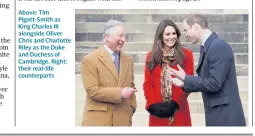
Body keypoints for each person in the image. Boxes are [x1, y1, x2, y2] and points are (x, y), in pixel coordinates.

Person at [169, 14, 246, 126]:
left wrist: (186, 78)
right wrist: (185, 83)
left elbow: (214, 83)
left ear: (196, 27)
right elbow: (208, 80)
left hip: (225, 117)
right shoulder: (209, 46)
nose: (186, 35)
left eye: (186, 30)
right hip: (218, 113)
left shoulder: (217, 46)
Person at [80, 20, 137, 126]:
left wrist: (132, 107)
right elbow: (92, 91)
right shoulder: (90, 60)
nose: (123, 40)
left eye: (124, 36)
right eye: (120, 36)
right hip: (99, 121)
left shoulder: (128, 60)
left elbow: (131, 85)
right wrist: (120, 93)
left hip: (122, 121)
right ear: (107, 37)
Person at [143, 19, 194, 126]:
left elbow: (189, 82)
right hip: (158, 110)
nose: (171, 37)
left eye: (174, 33)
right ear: (161, 36)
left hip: (179, 110)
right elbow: (148, 84)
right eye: (167, 34)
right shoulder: (151, 56)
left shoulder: (187, 54)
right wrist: (152, 105)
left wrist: (174, 103)